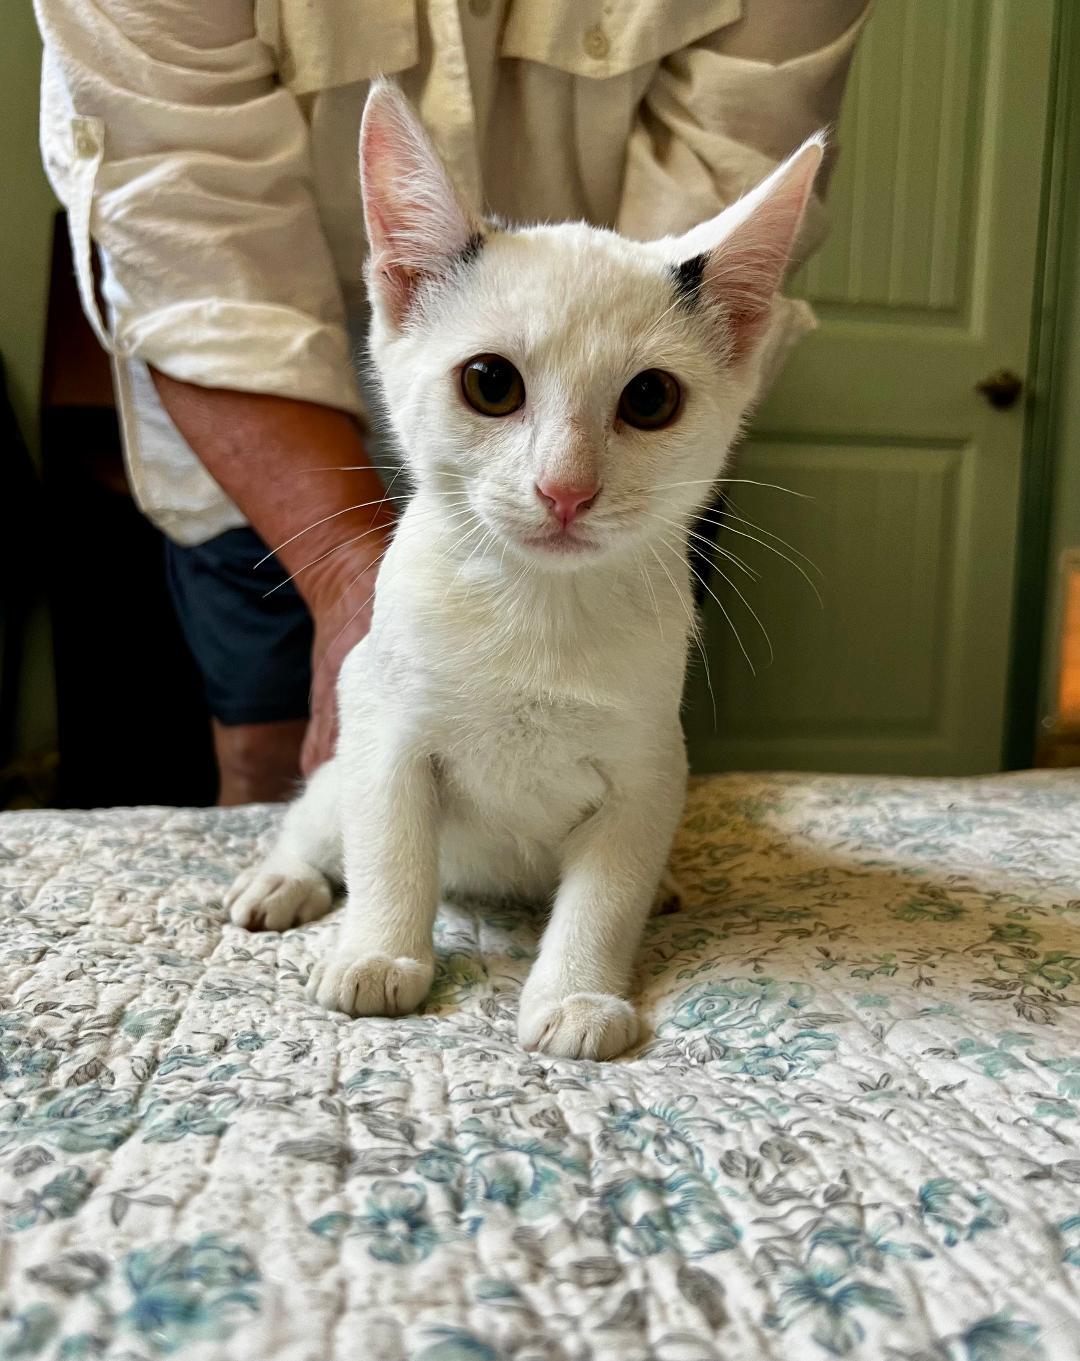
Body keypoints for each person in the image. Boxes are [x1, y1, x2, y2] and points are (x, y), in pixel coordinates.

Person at [34, 0, 870, 804]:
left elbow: (732, 170)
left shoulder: (591, 449)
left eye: (649, 397)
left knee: (593, 749)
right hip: (263, 406)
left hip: (627, 433)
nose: (562, 480)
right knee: (273, 749)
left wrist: (628, 360)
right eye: (493, 383)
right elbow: (194, 230)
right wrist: (347, 587)